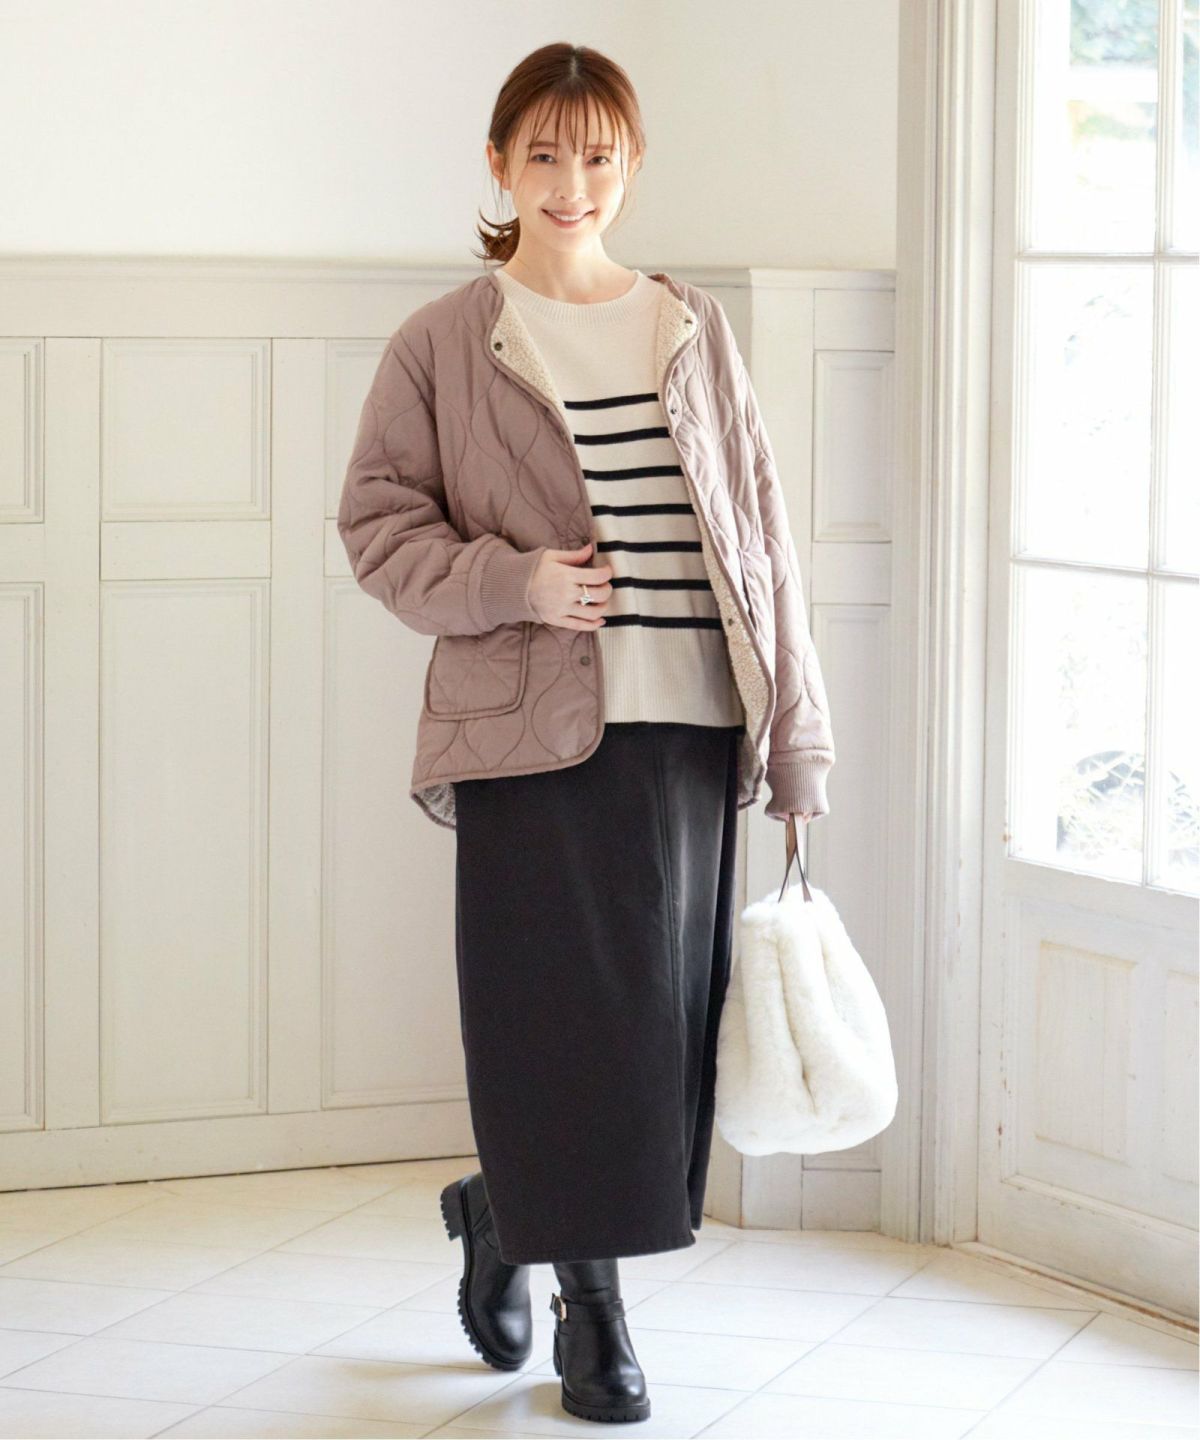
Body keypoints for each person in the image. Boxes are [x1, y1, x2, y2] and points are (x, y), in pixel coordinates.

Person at [337, 41, 836, 1426]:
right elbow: (377, 527)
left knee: (659, 1040)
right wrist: (517, 583)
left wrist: (798, 737)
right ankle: (594, 1312)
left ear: (631, 165)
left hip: (692, 728)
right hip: (530, 737)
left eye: (599, 155)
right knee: (560, 1030)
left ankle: (506, 1209)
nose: (573, 182)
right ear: (501, 165)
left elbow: (764, 534)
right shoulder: (446, 341)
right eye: (545, 155)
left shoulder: (689, 325)